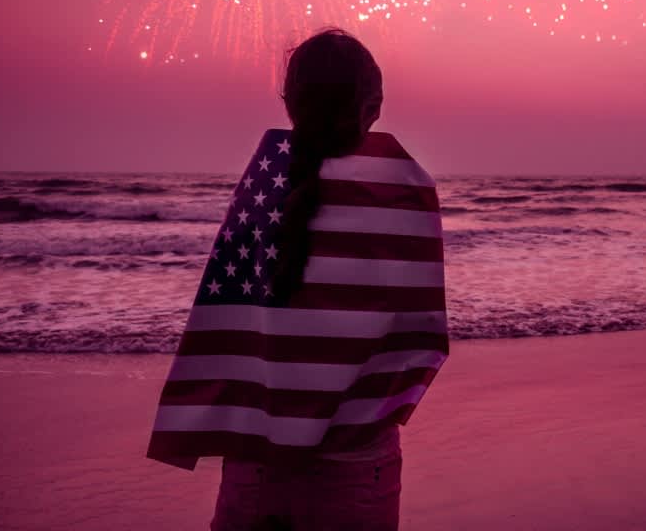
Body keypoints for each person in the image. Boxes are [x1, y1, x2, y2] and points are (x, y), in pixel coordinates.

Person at [146, 29, 449, 530]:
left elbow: (231, 329)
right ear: (374, 105)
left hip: (258, 464)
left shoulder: (264, 189)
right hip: (359, 463)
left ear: (289, 101)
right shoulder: (406, 190)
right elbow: (418, 333)